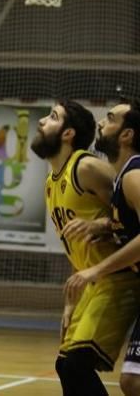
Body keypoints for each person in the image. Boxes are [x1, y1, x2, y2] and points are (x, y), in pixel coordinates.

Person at [30, 100, 137, 395]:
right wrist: (71, 303)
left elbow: (127, 209)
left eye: (52, 117)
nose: (41, 121)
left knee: (76, 364)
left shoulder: (87, 166)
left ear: (68, 133)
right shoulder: (51, 183)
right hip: (94, 284)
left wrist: (102, 226)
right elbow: (78, 247)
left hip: (120, 278)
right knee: (66, 366)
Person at [63, 99, 140, 395]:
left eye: (109, 118)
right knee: (131, 381)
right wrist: (105, 227)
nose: (100, 123)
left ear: (126, 135)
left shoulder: (134, 174)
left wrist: (96, 269)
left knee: (132, 381)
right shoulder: (124, 178)